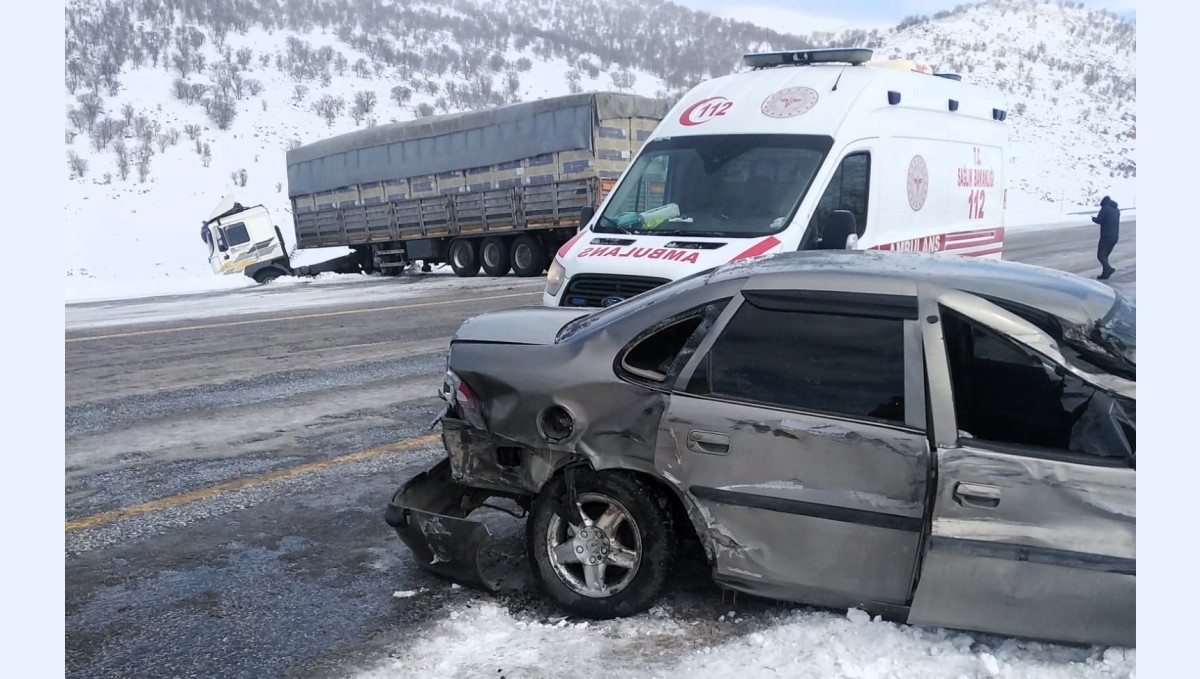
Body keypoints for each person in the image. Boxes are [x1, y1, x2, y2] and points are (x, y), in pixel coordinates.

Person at [1091, 195, 1120, 280]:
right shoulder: (1116, 210)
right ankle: (1105, 274)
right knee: (1105, 256)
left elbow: (1099, 220)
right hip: (1115, 236)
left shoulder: (1105, 208)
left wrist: (1094, 219)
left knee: (1100, 255)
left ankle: (1108, 268)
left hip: (1106, 235)